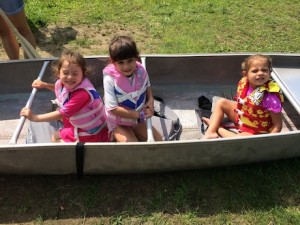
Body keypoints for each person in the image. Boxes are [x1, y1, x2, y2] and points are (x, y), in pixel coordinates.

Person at [20, 50, 109, 143]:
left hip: (92, 132)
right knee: (58, 108)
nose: (70, 77)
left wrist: (34, 118)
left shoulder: (83, 95)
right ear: (59, 73)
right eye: (66, 73)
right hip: (84, 121)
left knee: (55, 136)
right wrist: (44, 85)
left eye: (75, 74)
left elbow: (62, 114)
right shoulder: (64, 84)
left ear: (83, 74)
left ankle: (63, 153)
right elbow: (60, 91)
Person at [202, 54, 284, 139]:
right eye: (255, 71)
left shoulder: (270, 97)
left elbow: (277, 125)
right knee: (221, 102)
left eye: (264, 70)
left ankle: (218, 128)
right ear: (245, 74)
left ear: (270, 73)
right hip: (242, 117)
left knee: (240, 140)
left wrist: (267, 140)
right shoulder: (245, 82)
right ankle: (211, 131)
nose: (260, 73)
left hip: (257, 130)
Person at [102, 35, 162, 142]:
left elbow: (147, 86)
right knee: (133, 146)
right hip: (119, 122)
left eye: (130, 61)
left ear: (136, 57)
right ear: (113, 61)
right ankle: (115, 134)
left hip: (137, 119)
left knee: (159, 141)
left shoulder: (141, 70)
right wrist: (139, 115)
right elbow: (113, 109)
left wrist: (151, 100)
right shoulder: (109, 79)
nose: (126, 66)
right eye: (121, 62)